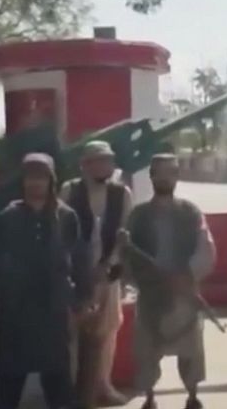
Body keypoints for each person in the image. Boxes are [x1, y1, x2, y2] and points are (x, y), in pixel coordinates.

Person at [0, 152, 93, 409]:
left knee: (59, 388)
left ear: (50, 180)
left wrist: (82, 300)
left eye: (41, 177)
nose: (35, 182)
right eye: (30, 177)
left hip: (53, 313)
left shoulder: (65, 217)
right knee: (7, 388)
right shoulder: (8, 217)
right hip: (15, 313)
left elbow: (79, 260)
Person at [117, 153, 216, 409]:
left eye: (170, 172)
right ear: (151, 176)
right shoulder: (138, 215)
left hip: (184, 293)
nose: (164, 177)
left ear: (177, 176)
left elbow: (204, 247)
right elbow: (127, 254)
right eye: (159, 172)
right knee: (147, 351)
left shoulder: (190, 212)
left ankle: (192, 395)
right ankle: (149, 397)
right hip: (151, 294)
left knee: (190, 350)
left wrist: (188, 274)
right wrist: (134, 277)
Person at [60, 141, 132, 408]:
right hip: (75, 274)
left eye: (108, 160)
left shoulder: (121, 193)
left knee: (108, 330)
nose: (104, 166)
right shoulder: (70, 190)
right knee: (73, 330)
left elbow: (124, 233)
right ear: (85, 165)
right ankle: (72, 389)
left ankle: (102, 386)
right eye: (99, 161)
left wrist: (108, 265)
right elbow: (61, 231)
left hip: (108, 274)